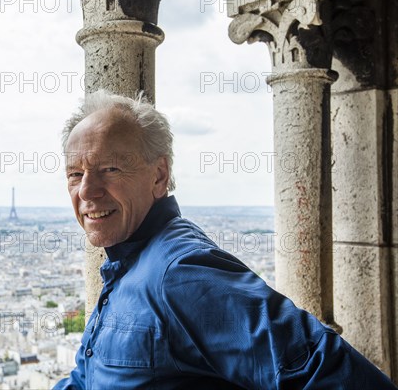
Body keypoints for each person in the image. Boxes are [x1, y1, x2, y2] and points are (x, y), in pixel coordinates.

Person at [53, 89, 397, 389]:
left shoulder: (180, 273)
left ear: (159, 175)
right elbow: (87, 378)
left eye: (110, 169)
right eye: (75, 174)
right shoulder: (126, 266)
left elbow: (332, 371)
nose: (87, 191)